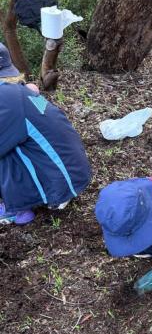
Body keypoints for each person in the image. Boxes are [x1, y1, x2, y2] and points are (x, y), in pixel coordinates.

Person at [0, 42, 92, 224]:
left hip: (59, 182)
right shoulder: (19, 90)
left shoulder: (6, 98)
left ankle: (16, 209)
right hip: (71, 173)